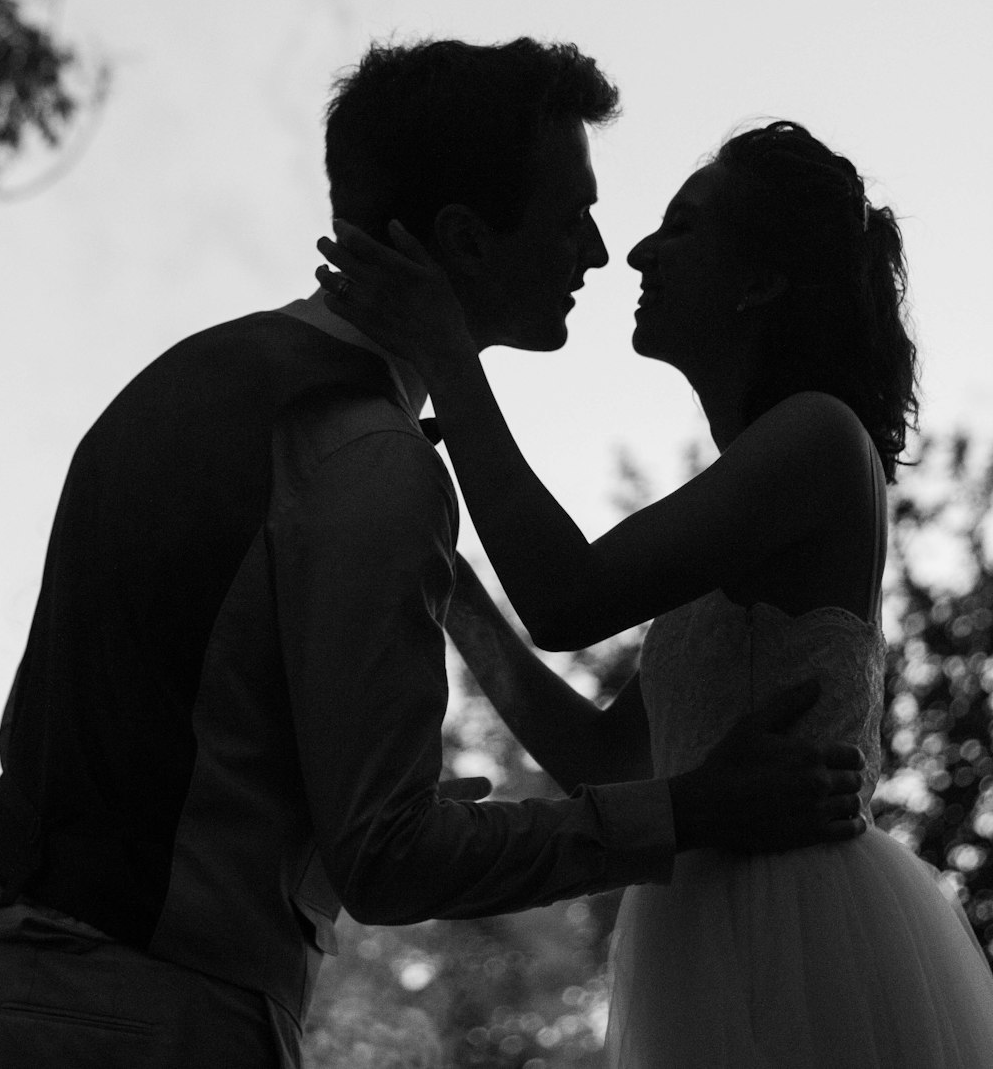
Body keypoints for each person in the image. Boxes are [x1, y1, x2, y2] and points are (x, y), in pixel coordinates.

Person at [0, 43, 865, 1068]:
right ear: (464, 238)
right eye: (570, 213)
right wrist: (687, 810)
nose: (600, 251)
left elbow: (185, 734)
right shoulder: (370, 456)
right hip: (157, 1021)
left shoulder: (186, 381)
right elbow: (390, 858)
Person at [317, 114, 993, 1067]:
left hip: (797, 936)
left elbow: (566, 597)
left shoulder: (819, 439)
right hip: (717, 937)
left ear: (760, 280)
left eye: (682, 227)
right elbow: (604, 761)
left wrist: (446, 357)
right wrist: (451, 585)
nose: (637, 251)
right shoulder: (753, 499)